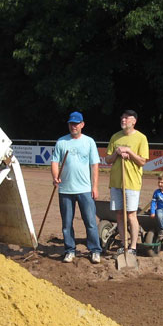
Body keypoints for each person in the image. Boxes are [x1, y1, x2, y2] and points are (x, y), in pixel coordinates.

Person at [51, 111, 102, 264]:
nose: (73, 126)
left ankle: (95, 250)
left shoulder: (89, 142)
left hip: (85, 189)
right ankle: (69, 250)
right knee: (66, 223)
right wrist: (55, 177)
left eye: (76, 124)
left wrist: (95, 187)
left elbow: (95, 165)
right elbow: (54, 162)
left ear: (82, 125)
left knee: (90, 222)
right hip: (65, 190)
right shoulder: (61, 142)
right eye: (71, 124)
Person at [105, 109, 149, 255]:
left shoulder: (141, 138)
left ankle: (133, 247)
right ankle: (123, 245)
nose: (123, 120)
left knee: (131, 215)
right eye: (122, 118)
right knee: (119, 214)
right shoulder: (115, 137)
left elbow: (142, 161)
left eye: (127, 118)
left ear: (134, 121)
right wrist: (117, 153)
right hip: (116, 182)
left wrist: (129, 152)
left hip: (132, 182)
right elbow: (107, 160)